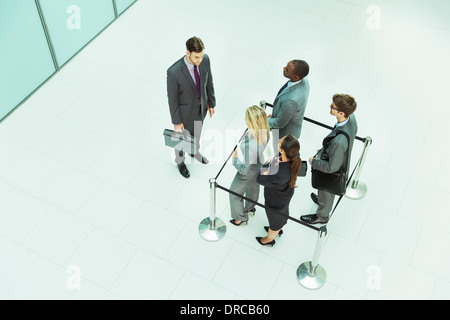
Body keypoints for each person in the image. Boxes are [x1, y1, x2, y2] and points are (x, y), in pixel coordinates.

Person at [300, 94, 358, 224]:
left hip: (331, 171)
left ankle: (322, 216)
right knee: (324, 194)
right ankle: (322, 201)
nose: (330, 107)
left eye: (333, 106)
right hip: (336, 156)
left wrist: (313, 161)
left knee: (326, 192)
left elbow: (332, 168)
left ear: (341, 113)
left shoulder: (339, 142)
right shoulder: (351, 118)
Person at [167, 36, 216, 178]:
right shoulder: (173, 72)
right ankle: (180, 162)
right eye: (196, 57)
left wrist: (211, 103)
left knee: (197, 132)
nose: (199, 60)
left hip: (201, 109)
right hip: (184, 114)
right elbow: (172, 100)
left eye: (201, 56)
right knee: (182, 140)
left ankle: (194, 151)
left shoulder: (205, 60)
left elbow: (209, 81)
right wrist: (176, 122)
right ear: (187, 52)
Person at [256, 135, 302, 246]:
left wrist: (266, 164)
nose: (279, 140)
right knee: (279, 217)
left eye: (280, 141)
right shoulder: (289, 157)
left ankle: (269, 239)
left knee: (275, 221)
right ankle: (277, 228)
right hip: (283, 193)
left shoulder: (280, 174)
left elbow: (260, 179)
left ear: (282, 150)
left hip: (276, 200)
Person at [229, 105, 270, 226]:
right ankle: (250, 207)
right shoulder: (265, 131)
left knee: (234, 194)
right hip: (258, 166)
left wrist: (235, 159)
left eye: (247, 118)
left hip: (247, 172)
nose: (245, 120)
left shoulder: (251, 146)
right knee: (253, 187)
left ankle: (240, 218)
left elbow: (244, 171)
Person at [268, 60, 310, 152]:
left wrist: (266, 121)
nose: (283, 68)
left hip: (284, 136)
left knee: (279, 155)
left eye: (287, 70)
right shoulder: (304, 80)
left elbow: (280, 123)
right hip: (292, 125)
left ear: (295, 77)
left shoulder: (291, 100)